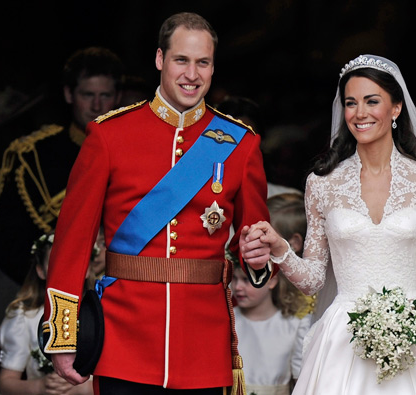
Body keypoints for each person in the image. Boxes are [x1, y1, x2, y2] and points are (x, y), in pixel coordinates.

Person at [41, 12, 271, 394]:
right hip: (123, 341)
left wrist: (259, 258)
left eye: (203, 63)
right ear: (160, 59)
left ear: (214, 67)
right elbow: (72, 242)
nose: (192, 74)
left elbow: (252, 244)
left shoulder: (240, 145)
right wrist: (63, 336)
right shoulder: (108, 135)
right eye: (182, 60)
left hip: (203, 345)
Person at [242, 54, 416, 394]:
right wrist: (280, 249)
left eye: (371, 101)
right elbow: (314, 279)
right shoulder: (322, 184)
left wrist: (412, 314)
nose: (359, 113)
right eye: (351, 103)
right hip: (342, 339)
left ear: (395, 109)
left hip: (413, 334)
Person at [0, 46, 124, 285]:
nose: (96, 106)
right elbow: (7, 243)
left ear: (117, 98)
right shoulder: (34, 157)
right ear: (69, 94)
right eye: (87, 95)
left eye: (104, 96)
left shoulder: (136, 153)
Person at [0, 233, 93, 395]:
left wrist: (85, 389)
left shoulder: (103, 313)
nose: (66, 269)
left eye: (73, 261)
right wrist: (39, 387)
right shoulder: (25, 316)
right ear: (41, 271)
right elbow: (5, 383)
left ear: (88, 268)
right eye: (56, 262)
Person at [231, 261, 310, 395]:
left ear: (271, 281)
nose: (238, 287)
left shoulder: (294, 326)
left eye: (246, 280)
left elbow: (300, 381)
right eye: (234, 279)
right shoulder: (228, 320)